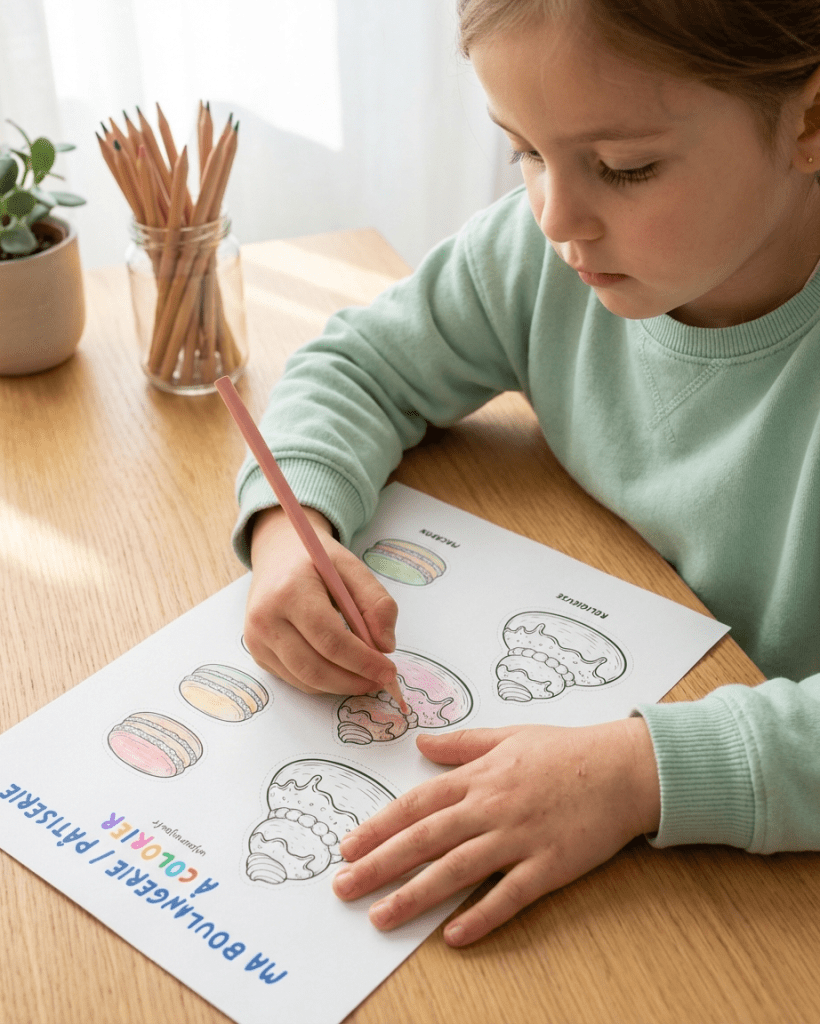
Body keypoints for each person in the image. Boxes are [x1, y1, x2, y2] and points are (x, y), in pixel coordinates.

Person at [231, 0, 820, 947]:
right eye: (524, 152)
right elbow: (357, 365)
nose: (554, 217)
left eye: (625, 167)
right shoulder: (539, 254)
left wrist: (639, 774)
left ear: (810, 122)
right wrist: (287, 530)